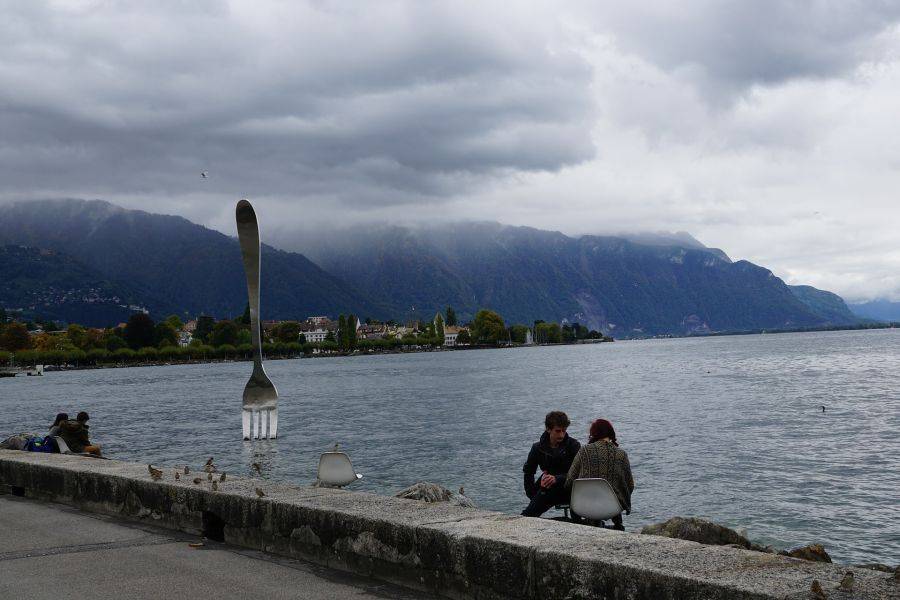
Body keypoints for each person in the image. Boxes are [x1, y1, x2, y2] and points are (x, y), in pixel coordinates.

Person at [565, 418, 634, 531]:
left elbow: (570, 480)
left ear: (593, 434)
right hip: (612, 507)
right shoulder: (621, 454)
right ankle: (618, 525)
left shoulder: (584, 451)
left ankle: (578, 526)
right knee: (616, 491)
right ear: (611, 433)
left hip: (584, 506)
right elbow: (630, 485)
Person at [521, 411, 581, 517]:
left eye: (564, 430)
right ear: (548, 429)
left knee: (578, 522)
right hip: (548, 488)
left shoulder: (573, 445)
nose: (562, 435)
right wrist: (532, 495)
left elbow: (579, 472)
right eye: (558, 431)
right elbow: (528, 472)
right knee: (527, 516)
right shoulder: (537, 448)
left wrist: (557, 478)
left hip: (570, 489)